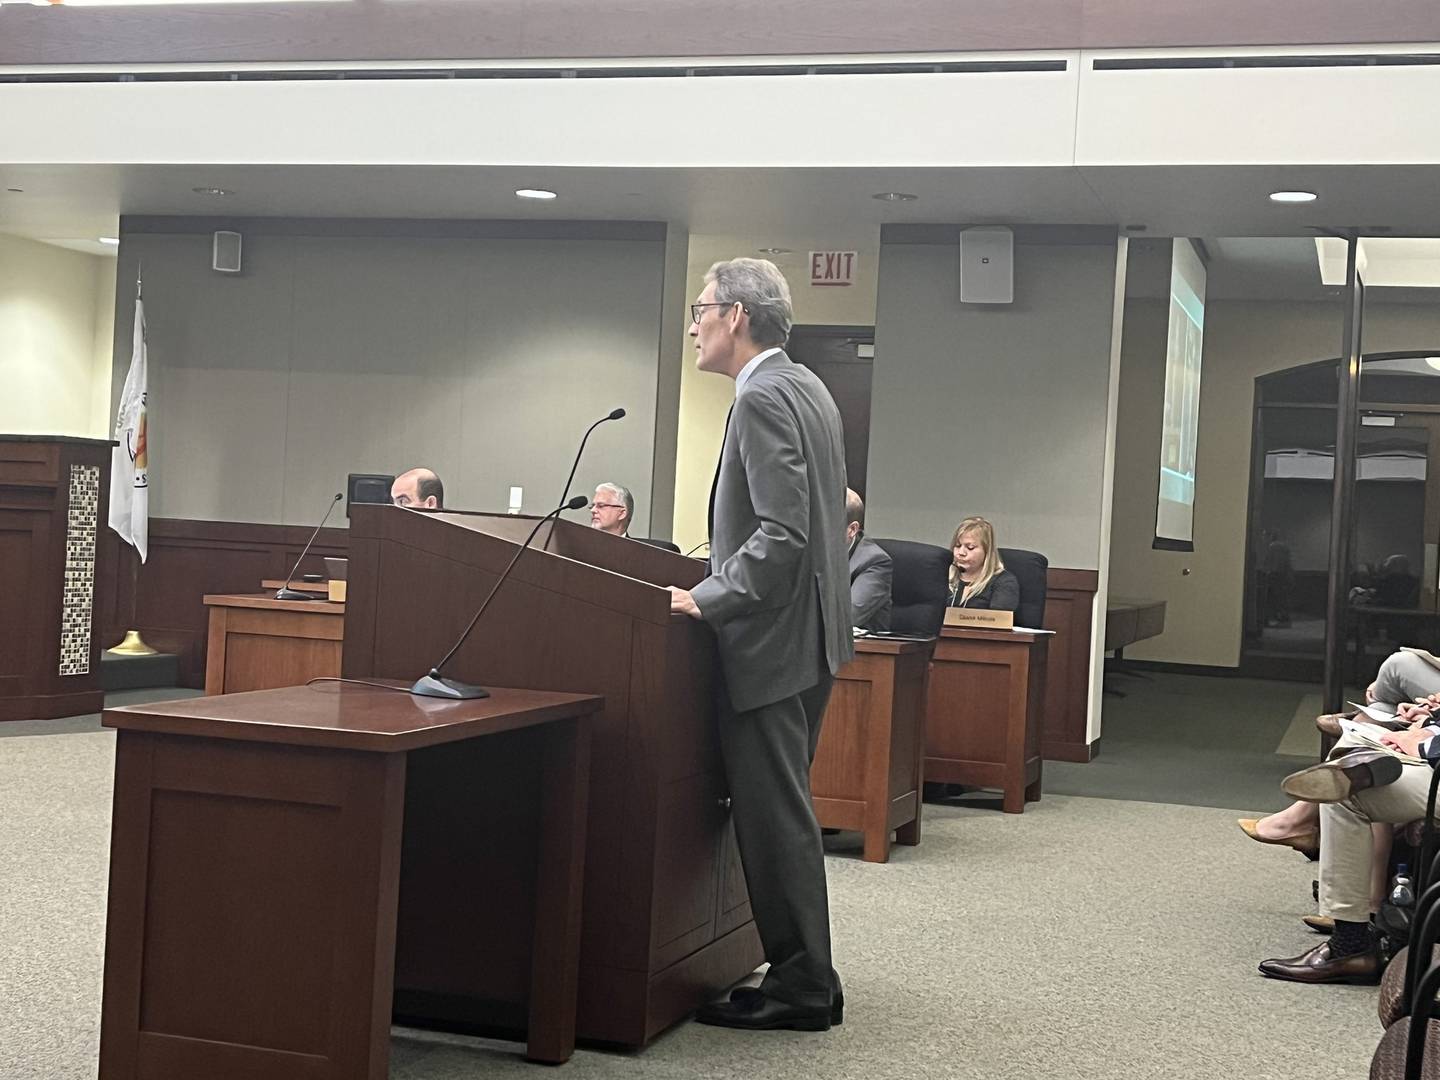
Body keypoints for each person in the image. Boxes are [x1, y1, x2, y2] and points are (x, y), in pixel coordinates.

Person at [666, 257, 851, 1033]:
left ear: (735, 316)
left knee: (775, 819)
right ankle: (803, 973)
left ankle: (806, 986)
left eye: (702, 309)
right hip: (809, 637)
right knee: (784, 813)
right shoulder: (805, 385)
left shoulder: (764, 398)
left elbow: (783, 534)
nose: (696, 325)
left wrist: (706, 597)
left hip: (771, 645)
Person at [948, 516, 1019, 612]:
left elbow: (998, 622)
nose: (961, 552)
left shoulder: (1004, 582)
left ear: (987, 551)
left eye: (970, 547)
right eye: (957, 546)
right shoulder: (941, 577)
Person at [845, 488, 891, 632]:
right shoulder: (806, 552)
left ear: (852, 529)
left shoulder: (875, 561)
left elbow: (849, 616)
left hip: (860, 652)